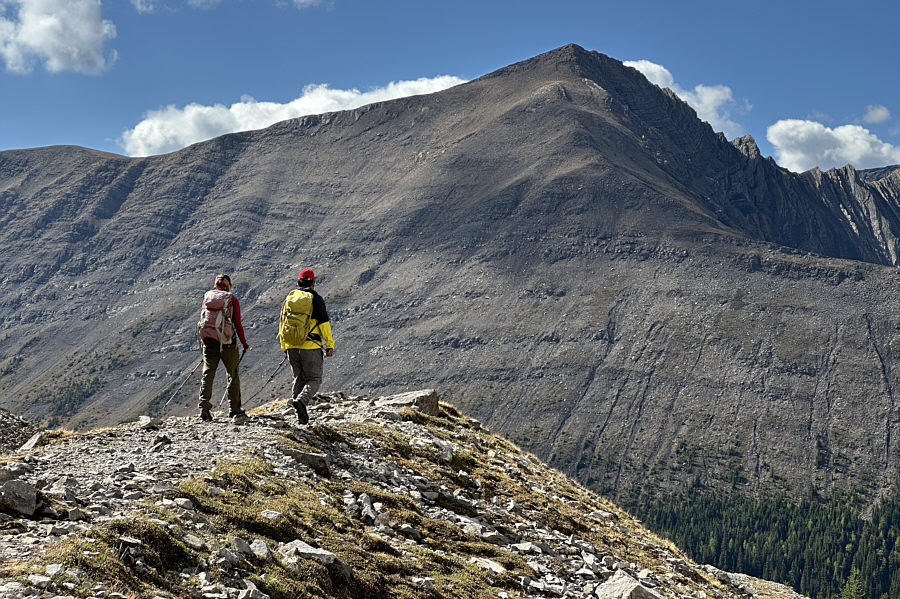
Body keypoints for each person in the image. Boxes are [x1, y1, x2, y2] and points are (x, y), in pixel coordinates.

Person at [281, 268, 334, 424]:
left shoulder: (290, 298)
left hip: (291, 345)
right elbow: (324, 324)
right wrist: (329, 344)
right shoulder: (315, 299)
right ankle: (301, 401)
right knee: (314, 378)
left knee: (299, 378)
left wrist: (285, 344)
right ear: (313, 283)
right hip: (310, 346)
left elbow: (283, 322)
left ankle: (299, 417)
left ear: (298, 282)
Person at [197, 273, 251, 422]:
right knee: (232, 374)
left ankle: (204, 408)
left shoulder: (207, 297)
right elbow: (237, 324)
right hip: (227, 344)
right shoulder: (231, 300)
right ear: (228, 286)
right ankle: (234, 410)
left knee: (208, 373)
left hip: (208, 342)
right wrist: (244, 344)